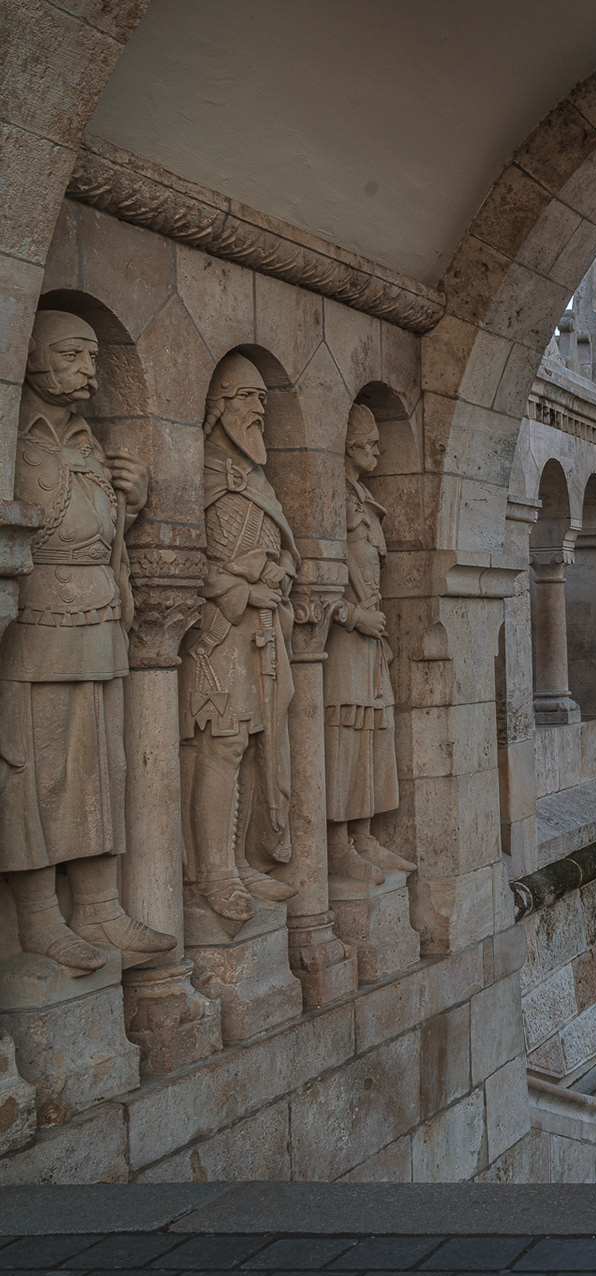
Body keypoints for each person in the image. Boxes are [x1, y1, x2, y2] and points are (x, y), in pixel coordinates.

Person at [0, 311, 173, 972]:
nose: (89, 371)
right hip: (37, 625)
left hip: (99, 621)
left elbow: (94, 528)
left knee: (101, 768)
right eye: (75, 355)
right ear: (37, 353)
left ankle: (100, 906)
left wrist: (132, 500)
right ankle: (41, 918)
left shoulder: (84, 437)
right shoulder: (17, 433)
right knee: (34, 772)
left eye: (94, 358)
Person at [179, 352, 301, 921]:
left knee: (254, 743)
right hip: (216, 635)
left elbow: (287, 554)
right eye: (250, 398)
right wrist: (240, 589)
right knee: (222, 746)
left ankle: (241, 858)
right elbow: (172, 563)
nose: (260, 409)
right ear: (221, 404)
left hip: (262, 635)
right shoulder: (197, 470)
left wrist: (277, 574)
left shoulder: (259, 480)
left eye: (264, 401)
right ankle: (215, 873)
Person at [325, 405, 413, 884]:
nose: (379, 450)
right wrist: (354, 616)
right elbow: (313, 582)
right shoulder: (332, 498)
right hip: (344, 643)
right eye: (371, 442)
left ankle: (365, 836)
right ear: (348, 444)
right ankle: (337, 845)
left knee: (374, 734)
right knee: (344, 735)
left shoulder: (364, 500)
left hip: (371, 643)